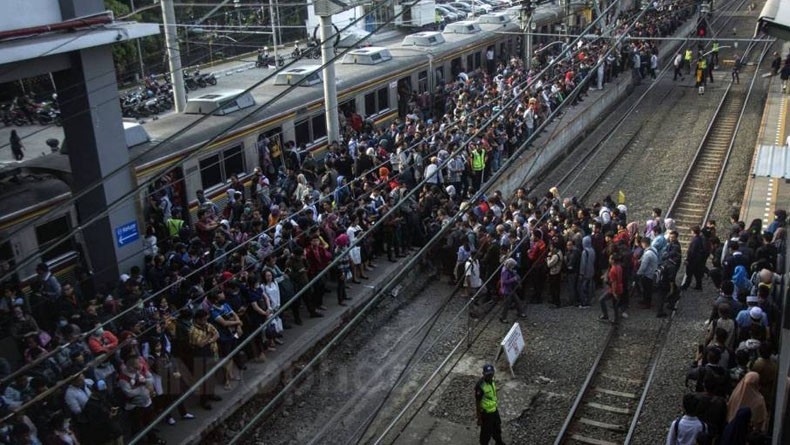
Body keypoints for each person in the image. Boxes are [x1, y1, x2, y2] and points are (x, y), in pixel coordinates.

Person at [475, 364, 505, 445]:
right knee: (486, 433)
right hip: (486, 414)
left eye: (491, 374)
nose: (490, 376)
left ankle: (499, 442)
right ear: (483, 374)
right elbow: (477, 402)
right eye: (488, 375)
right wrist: (479, 418)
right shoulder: (480, 386)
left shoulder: (492, 380)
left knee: (497, 428)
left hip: (494, 410)